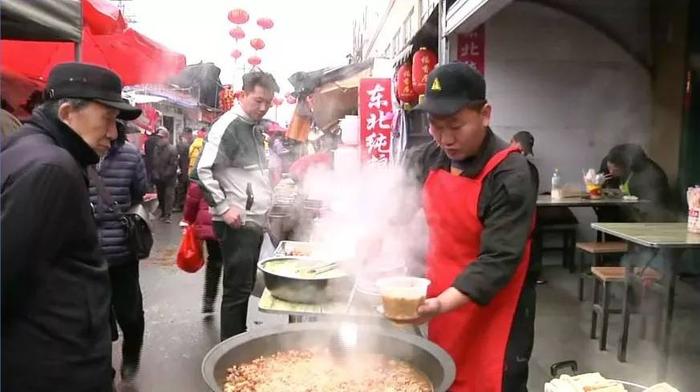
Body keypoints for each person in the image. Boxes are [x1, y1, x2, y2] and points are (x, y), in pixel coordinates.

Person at [1, 62, 141, 391]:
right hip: (55, 365)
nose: (113, 133)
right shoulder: (51, 167)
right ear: (67, 113)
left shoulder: (28, 147)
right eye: (107, 119)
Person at [404, 63, 538, 392]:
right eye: (435, 126)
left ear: (485, 114)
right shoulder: (428, 158)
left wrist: (440, 304)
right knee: (444, 378)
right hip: (442, 299)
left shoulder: (511, 174)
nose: (445, 139)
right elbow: (396, 208)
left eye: (455, 125)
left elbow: (499, 258)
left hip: (495, 305)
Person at [195, 71, 279, 340]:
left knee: (242, 287)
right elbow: (202, 170)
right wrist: (224, 208)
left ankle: (236, 343)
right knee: (236, 289)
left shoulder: (252, 127)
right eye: (258, 100)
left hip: (252, 220)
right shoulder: (228, 125)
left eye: (268, 102)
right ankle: (230, 352)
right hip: (237, 221)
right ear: (242, 95)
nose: (263, 107)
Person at [88, 120, 147, 382]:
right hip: (86, 251)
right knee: (93, 313)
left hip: (122, 249)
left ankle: (131, 354)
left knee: (129, 310)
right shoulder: (74, 155)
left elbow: (139, 193)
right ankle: (104, 366)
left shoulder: (131, 155)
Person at [600, 143, 675, 222]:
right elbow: (602, 179)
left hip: (648, 216)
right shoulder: (611, 161)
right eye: (609, 168)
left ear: (626, 165)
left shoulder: (651, 174)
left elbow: (654, 204)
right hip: (625, 211)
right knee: (607, 213)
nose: (610, 172)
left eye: (615, 169)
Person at [183, 181, 222, 314]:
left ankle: (209, 299)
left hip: (209, 223)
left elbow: (192, 199)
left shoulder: (202, 170)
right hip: (232, 221)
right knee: (231, 262)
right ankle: (230, 304)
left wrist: (189, 219)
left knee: (214, 261)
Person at [152, 126, 178, 223]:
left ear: (166, 138)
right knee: (160, 196)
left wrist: (165, 175)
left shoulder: (172, 149)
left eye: (161, 138)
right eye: (159, 138)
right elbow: (154, 162)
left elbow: (173, 166)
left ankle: (167, 215)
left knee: (168, 196)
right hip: (159, 178)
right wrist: (155, 173)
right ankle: (163, 212)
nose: (159, 140)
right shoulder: (156, 149)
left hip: (169, 179)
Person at [175, 127, 194, 212]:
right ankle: (184, 205)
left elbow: (178, 157)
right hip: (189, 169)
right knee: (186, 189)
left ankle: (179, 205)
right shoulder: (192, 144)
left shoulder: (182, 145)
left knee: (181, 188)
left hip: (183, 169)